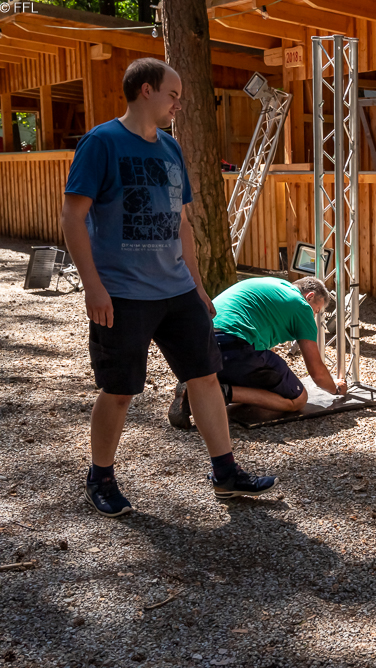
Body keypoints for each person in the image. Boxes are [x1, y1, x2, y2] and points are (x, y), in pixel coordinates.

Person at [61, 58, 277, 517]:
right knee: (119, 391)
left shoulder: (171, 148)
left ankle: (225, 473)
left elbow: (182, 225)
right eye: (173, 95)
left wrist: (197, 287)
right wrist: (93, 287)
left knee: (205, 377)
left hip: (178, 292)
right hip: (122, 293)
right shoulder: (101, 143)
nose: (179, 104)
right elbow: (73, 218)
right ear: (146, 90)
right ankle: (100, 477)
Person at [167, 276, 347, 422]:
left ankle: (199, 381)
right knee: (297, 399)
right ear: (309, 296)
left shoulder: (274, 285)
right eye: (316, 310)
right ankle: (218, 393)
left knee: (264, 369)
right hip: (232, 345)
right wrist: (336, 389)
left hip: (197, 343)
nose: (314, 315)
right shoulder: (301, 306)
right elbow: (317, 373)